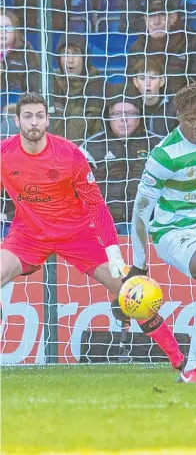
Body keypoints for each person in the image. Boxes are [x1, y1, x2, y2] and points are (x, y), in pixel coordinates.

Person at [0, 91, 185, 371]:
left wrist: (113, 252)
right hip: (29, 234)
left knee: (132, 294)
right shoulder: (4, 154)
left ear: (48, 120)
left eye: (39, 116)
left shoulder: (69, 154)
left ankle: (183, 363)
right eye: (28, 116)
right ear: (17, 121)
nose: (34, 122)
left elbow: (96, 205)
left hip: (78, 234)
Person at [127, 81, 196, 384]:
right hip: (172, 233)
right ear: (178, 118)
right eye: (189, 119)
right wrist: (138, 265)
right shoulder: (164, 156)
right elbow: (141, 210)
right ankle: (193, 366)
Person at [80, 84, 148, 234]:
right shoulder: (90, 148)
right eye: (117, 114)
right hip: (103, 226)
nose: (124, 119)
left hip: (148, 224)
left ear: (140, 116)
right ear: (108, 116)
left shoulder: (155, 145)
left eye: (130, 113)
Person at [128, 0, 196, 96]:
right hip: (149, 108)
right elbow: (131, 87)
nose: (156, 22)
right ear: (145, 19)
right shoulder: (138, 47)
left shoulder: (193, 43)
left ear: (173, 17)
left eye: (162, 15)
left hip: (185, 107)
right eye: (151, 16)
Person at [51, 34, 104, 145]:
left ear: (85, 58)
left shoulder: (98, 87)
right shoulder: (51, 84)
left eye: (75, 53)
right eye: (65, 54)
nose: (70, 60)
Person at [0, 8, 40, 109]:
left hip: (15, 108)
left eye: (8, 28)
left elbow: (33, 88)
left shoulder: (26, 54)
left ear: (16, 32)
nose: (2, 32)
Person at [131, 56, 178, 141]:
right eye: (142, 78)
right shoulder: (130, 107)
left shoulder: (175, 107)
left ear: (162, 81)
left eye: (153, 78)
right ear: (135, 82)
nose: (147, 84)